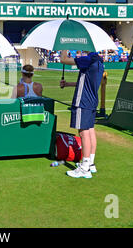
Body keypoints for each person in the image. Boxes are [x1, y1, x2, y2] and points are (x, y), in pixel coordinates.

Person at [59, 50, 104, 179]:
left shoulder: (88, 59)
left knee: (83, 133)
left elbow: (63, 59)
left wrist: (64, 48)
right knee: (90, 132)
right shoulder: (99, 61)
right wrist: (68, 84)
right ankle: (90, 163)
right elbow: (86, 82)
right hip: (91, 101)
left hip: (83, 102)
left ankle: (85, 168)